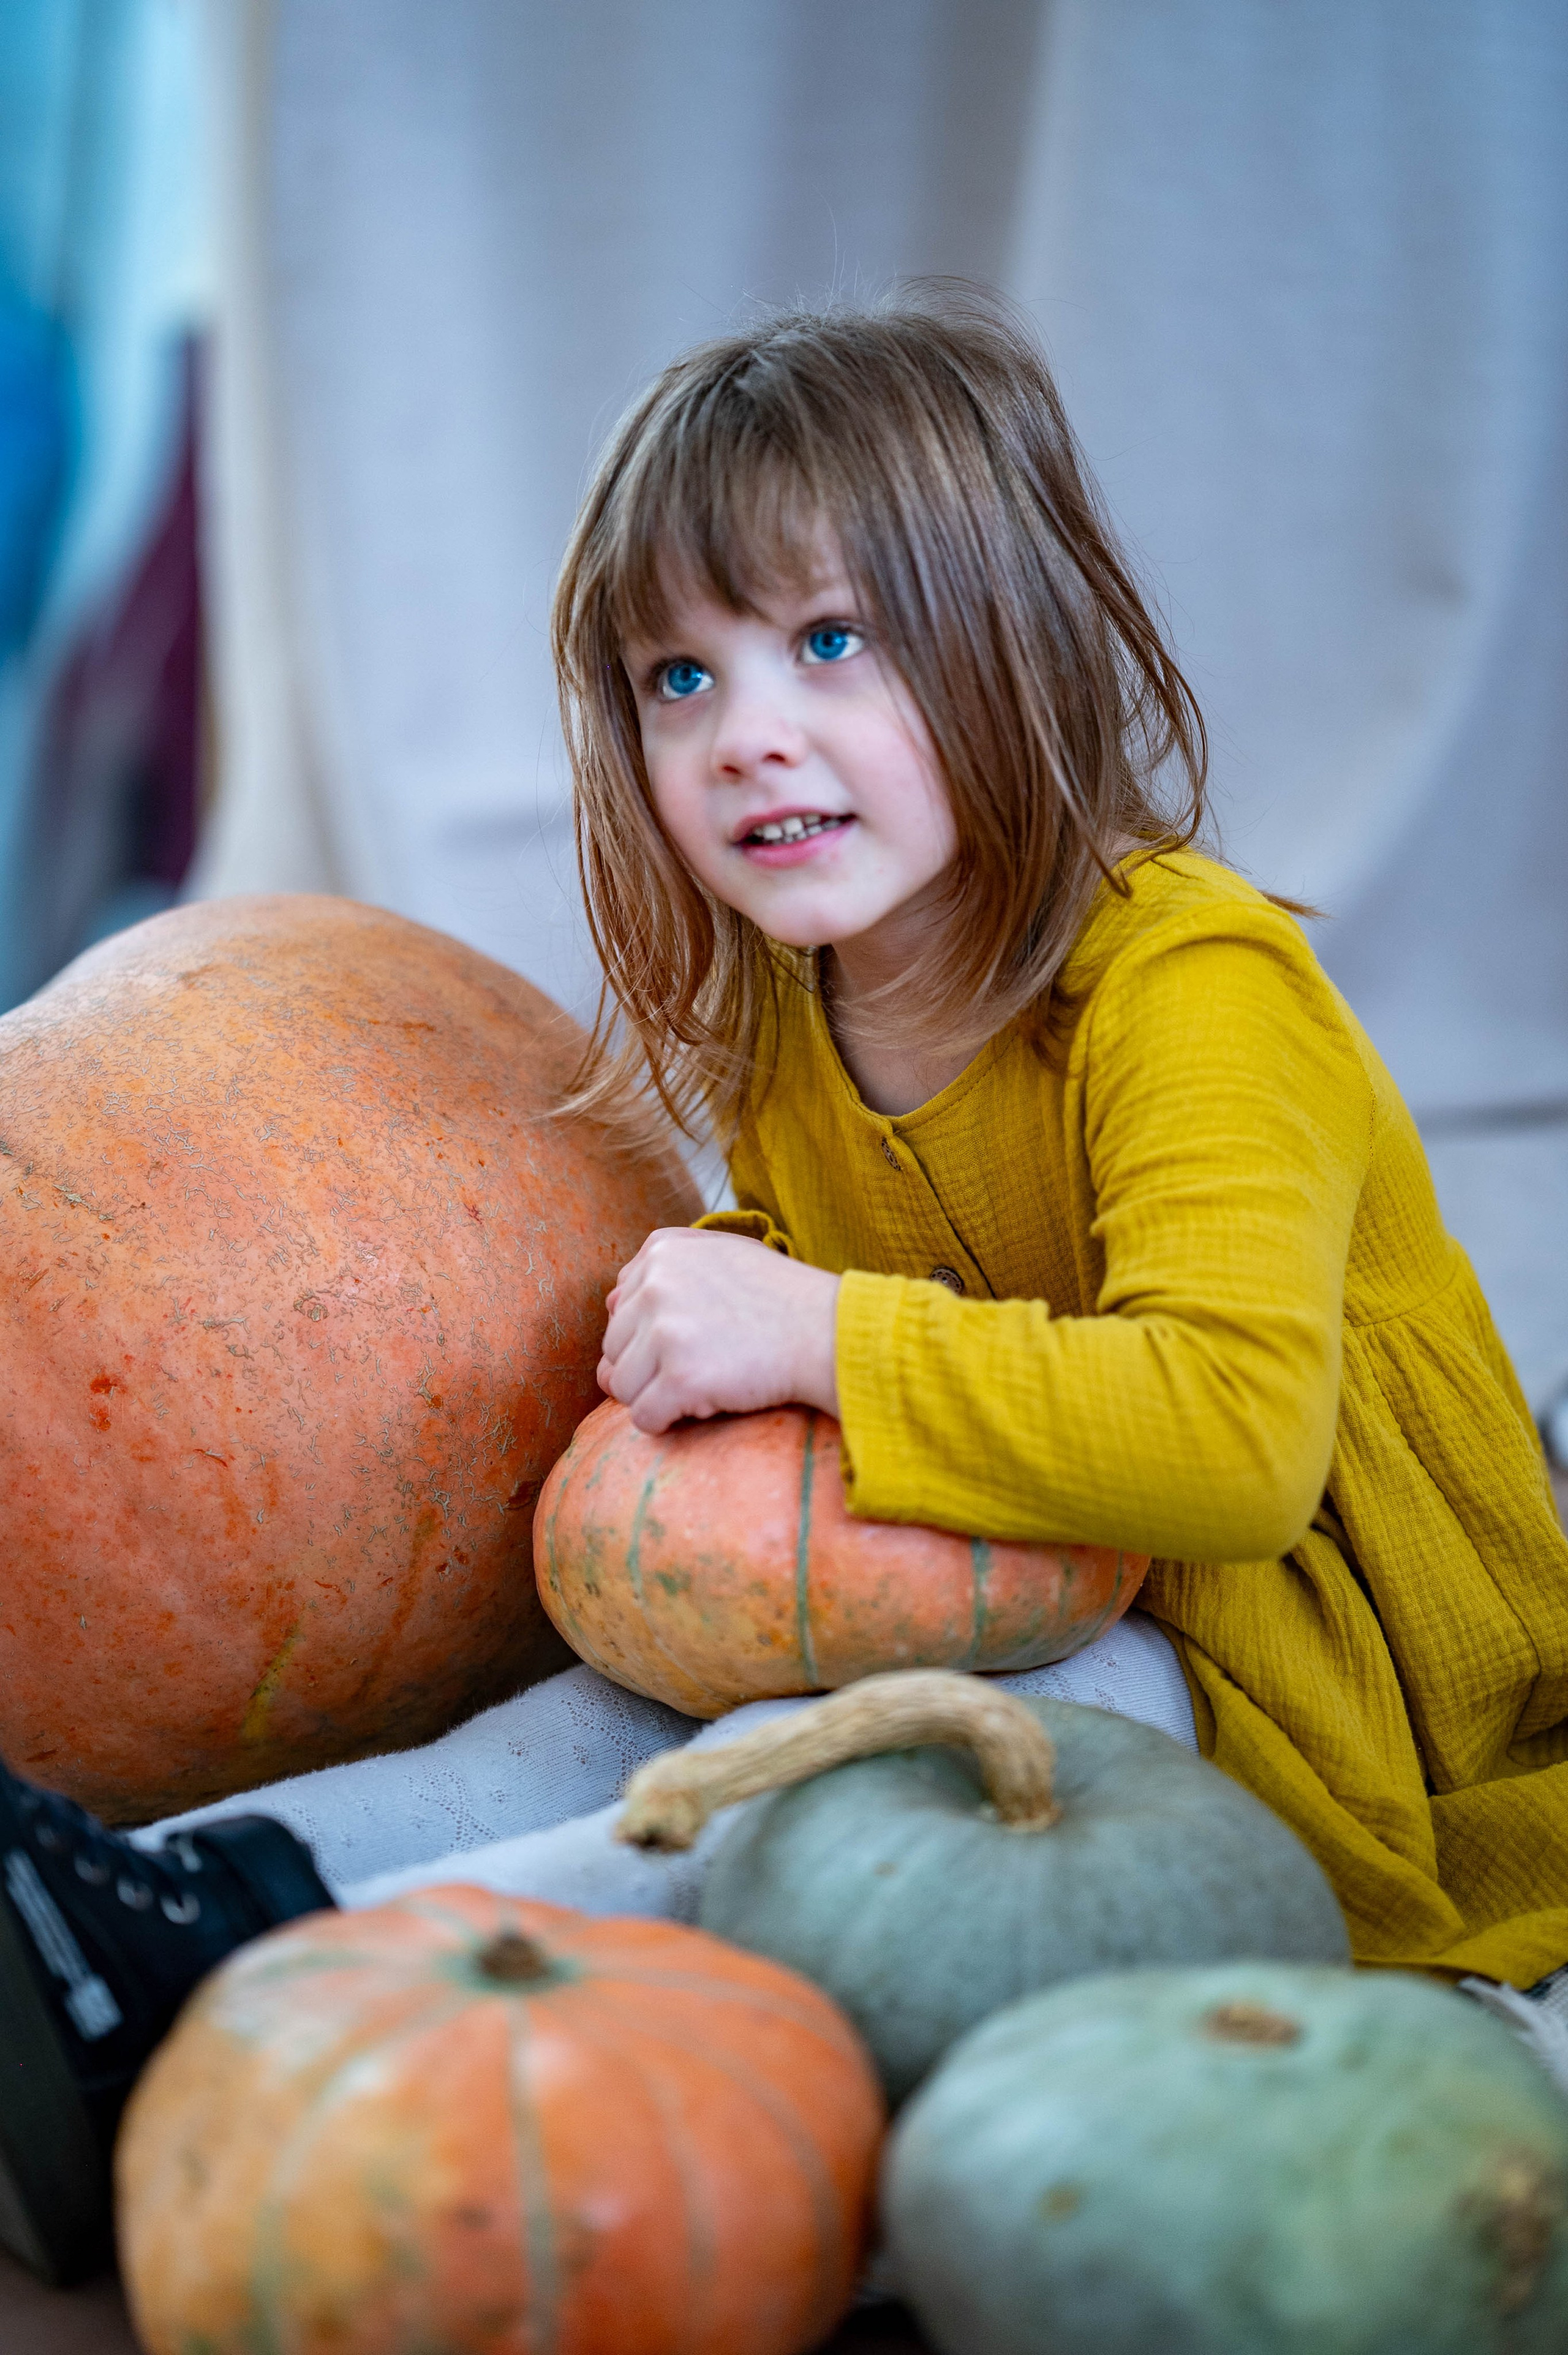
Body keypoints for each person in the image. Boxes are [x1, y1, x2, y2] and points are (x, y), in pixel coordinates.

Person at [4, 287, 1566, 2285]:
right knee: (640, 1683)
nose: (749, 734)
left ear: (1007, 640)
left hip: (1310, 1663)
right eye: (678, 676)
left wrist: (818, 1336)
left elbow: (1242, 1438)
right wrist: (733, 1281)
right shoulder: (807, 994)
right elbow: (900, 1260)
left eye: (831, 640)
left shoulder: (1190, 991)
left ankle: (273, 1978)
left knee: (870, 1769)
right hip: (1036, 1553)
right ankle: (152, 1908)